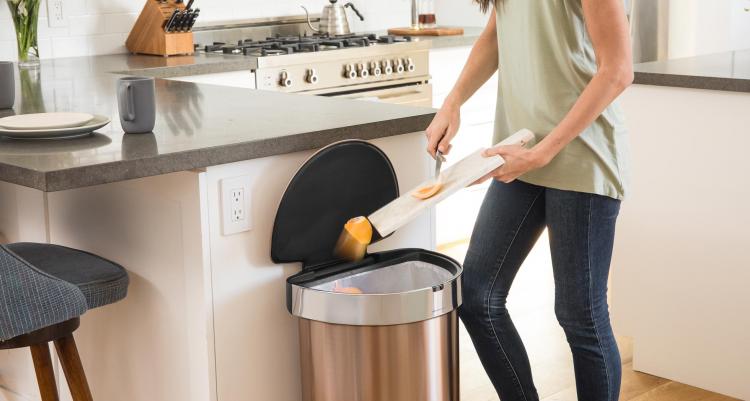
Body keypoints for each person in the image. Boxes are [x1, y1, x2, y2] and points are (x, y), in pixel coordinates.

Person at [425, 1, 633, 400]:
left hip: (580, 156)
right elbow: (495, 36)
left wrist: (544, 152)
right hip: (522, 151)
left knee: (580, 317)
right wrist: (453, 101)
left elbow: (618, 70)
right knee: (476, 295)